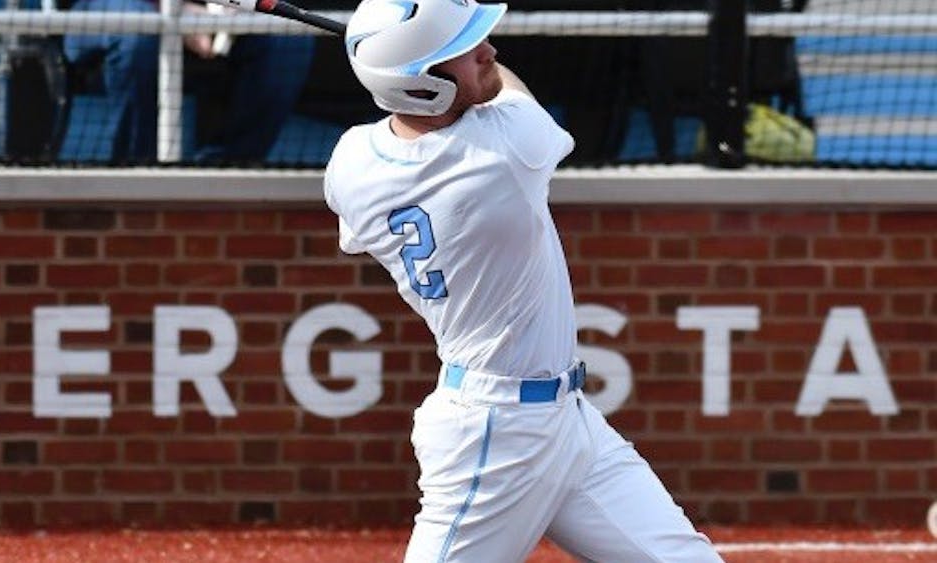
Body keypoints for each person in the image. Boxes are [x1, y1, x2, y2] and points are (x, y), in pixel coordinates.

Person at [324, 1, 726, 561]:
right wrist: (426, 53)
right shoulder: (504, 151)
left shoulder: (350, 164)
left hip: (568, 422)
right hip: (496, 435)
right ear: (422, 85)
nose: (489, 51)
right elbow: (509, 91)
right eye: (465, 51)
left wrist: (415, 55)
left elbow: (410, 143)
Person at [63, 0, 314, 162]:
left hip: (207, 12)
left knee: (289, 36)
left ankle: (227, 169)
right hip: (100, 7)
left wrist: (228, 10)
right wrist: (175, 10)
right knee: (139, 32)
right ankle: (135, 172)